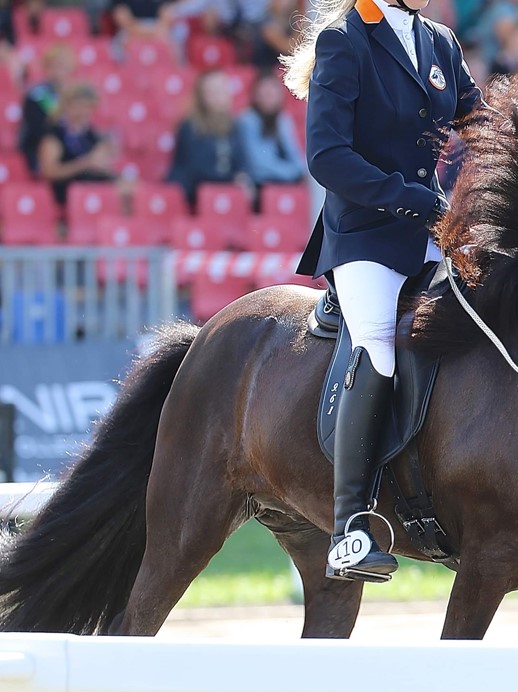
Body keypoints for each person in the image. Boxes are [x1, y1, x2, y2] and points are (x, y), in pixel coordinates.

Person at [283, 0, 481, 580]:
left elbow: (480, 124)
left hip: (433, 228)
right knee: (377, 341)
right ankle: (351, 525)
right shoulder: (345, 41)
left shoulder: (440, 42)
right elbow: (327, 155)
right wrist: (407, 197)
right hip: (367, 232)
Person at [167, 69, 251, 207]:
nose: (219, 96)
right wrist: (231, 182)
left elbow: (242, 162)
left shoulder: (234, 126)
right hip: (195, 198)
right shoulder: (190, 126)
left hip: (224, 195)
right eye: (213, 91)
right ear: (202, 97)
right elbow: (198, 169)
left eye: (222, 90)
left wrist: (242, 178)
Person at [37, 83, 120, 206]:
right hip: (68, 190)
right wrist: (84, 163)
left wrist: (105, 156)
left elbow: (102, 163)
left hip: (93, 185)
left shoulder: (90, 134)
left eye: (88, 107)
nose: (84, 112)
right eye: (80, 106)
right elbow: (49, 172)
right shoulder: (54, 134)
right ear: (67, 106)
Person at [236, 71, 306, 189]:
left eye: (273, 90)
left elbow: (296, 156)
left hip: (285, 178)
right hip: (257, 182)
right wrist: (294, 173)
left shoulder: (283, 119)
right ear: (255, 95)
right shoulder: (248, 120)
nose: (269, 95)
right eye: (264, 91)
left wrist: (300, 172)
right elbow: (259, 166)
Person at [19, 44, 75, 175]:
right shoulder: (38, 93)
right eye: (55, 65)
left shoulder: (72, 94)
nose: (60, 71)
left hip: (67, 150)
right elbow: (39, 129)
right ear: (46, 68)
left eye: (64, 67)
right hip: (39, 150)